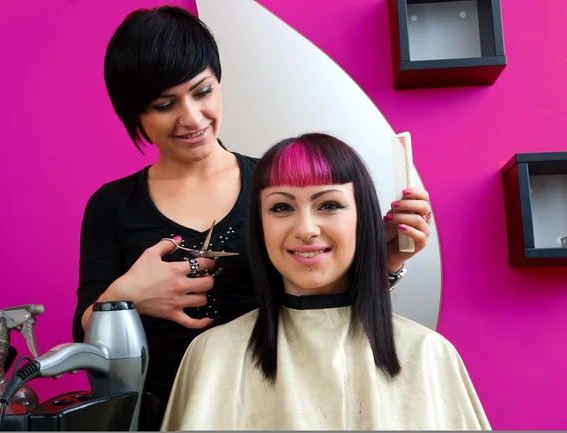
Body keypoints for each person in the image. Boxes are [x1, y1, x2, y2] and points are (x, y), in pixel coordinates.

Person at [71, 5, 434, 430]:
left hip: (277, 407)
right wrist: (126, 297)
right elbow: (87, 340)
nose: (191, 117)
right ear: (135, 114)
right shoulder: (111, 205)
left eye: (202, 91)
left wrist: (385, 261)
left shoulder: (277, 187)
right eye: (165, 104)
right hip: (156, 415)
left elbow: (324, 308)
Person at [160, 133, 490, 430]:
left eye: (329, 205)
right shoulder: (213, 355)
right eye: (281, 207)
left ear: (364, 221)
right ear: (260, 229)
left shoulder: (429, 354)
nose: (306, 229)